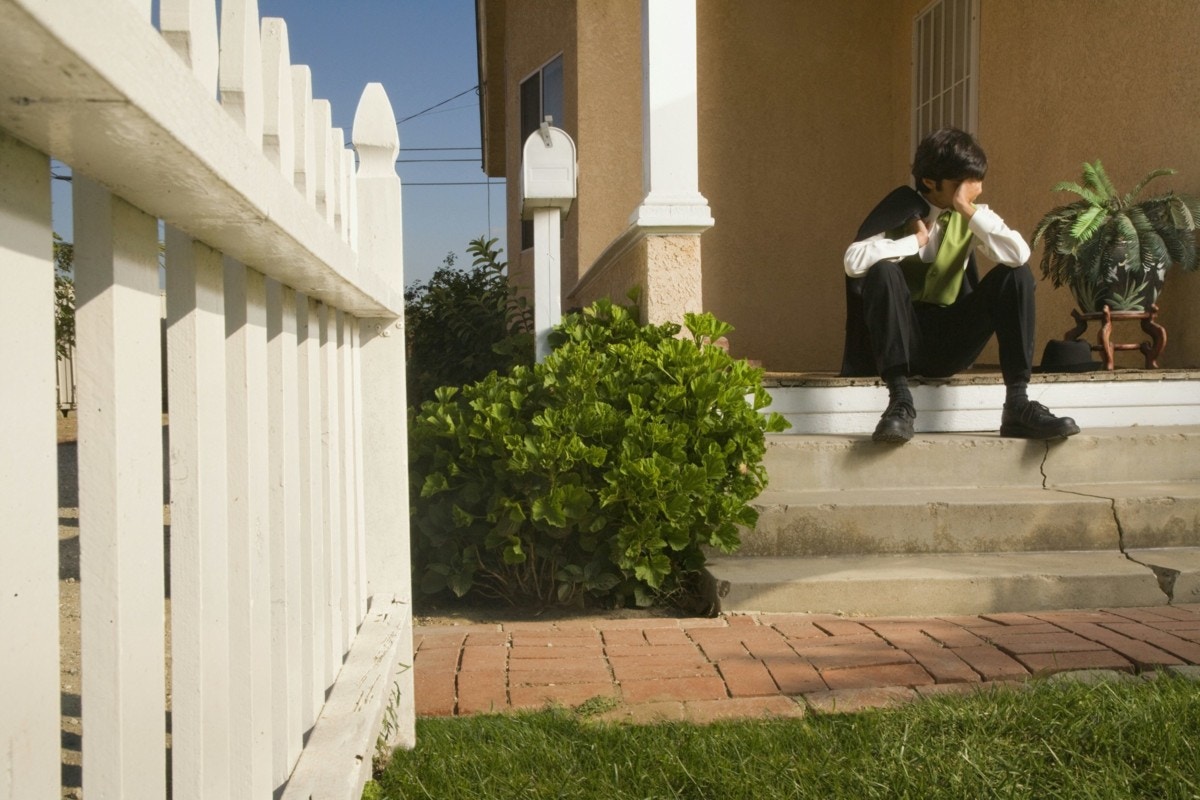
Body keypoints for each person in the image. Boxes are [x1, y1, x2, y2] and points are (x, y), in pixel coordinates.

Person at [840, 128, 1080, 444]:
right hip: (900, 341)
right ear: (929, 182)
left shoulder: (972, 215)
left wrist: (968, 211)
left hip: (947, 341)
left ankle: (1017, 404)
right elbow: (852, 261)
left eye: (974, 184)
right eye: (961, 185)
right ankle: (899, 401)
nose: (971, 192)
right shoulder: (900, 208)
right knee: (883, 272)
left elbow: (1019, 254)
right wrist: (915, 241)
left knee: (1016, 276)